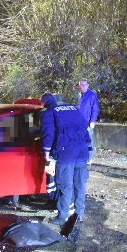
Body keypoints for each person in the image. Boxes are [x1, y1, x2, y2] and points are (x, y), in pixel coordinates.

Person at [40, 93, 91, 242]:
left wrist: (47, 153)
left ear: (44, 103)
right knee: (80, 184)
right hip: (82, 151)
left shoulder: (49, 112)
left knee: (65, 185)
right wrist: (88, 148)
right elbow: (85, 127)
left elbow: (48, 134)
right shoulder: (73, 109)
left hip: (66, 153)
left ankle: (62, 217)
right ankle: (79, 213)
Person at [77, 79, 99, 164]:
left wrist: (92, 121)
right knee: (80, 141)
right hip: (79, 123)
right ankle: (82, 157)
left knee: (89, 141)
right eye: (81, 85)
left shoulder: (91, 95)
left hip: (87, 122)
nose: (83, 86)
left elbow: (95, 108)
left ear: (88, 85)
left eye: (84, 85)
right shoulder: (79, 95)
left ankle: (89, 158)